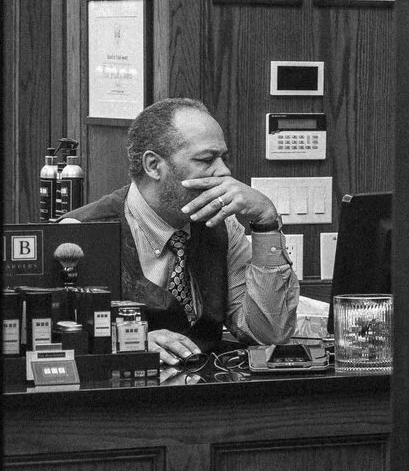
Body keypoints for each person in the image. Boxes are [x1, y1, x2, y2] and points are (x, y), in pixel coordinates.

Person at [65, 97, 298, 362]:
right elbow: (53, 341)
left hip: (210, 392)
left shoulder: (224, 227)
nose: (224, 172)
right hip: (122, 393)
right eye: (206, 159)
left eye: (224, 158)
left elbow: (269, 335)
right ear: (153, 166)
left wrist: (267, 222)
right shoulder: (81, 234)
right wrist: (125, 343)